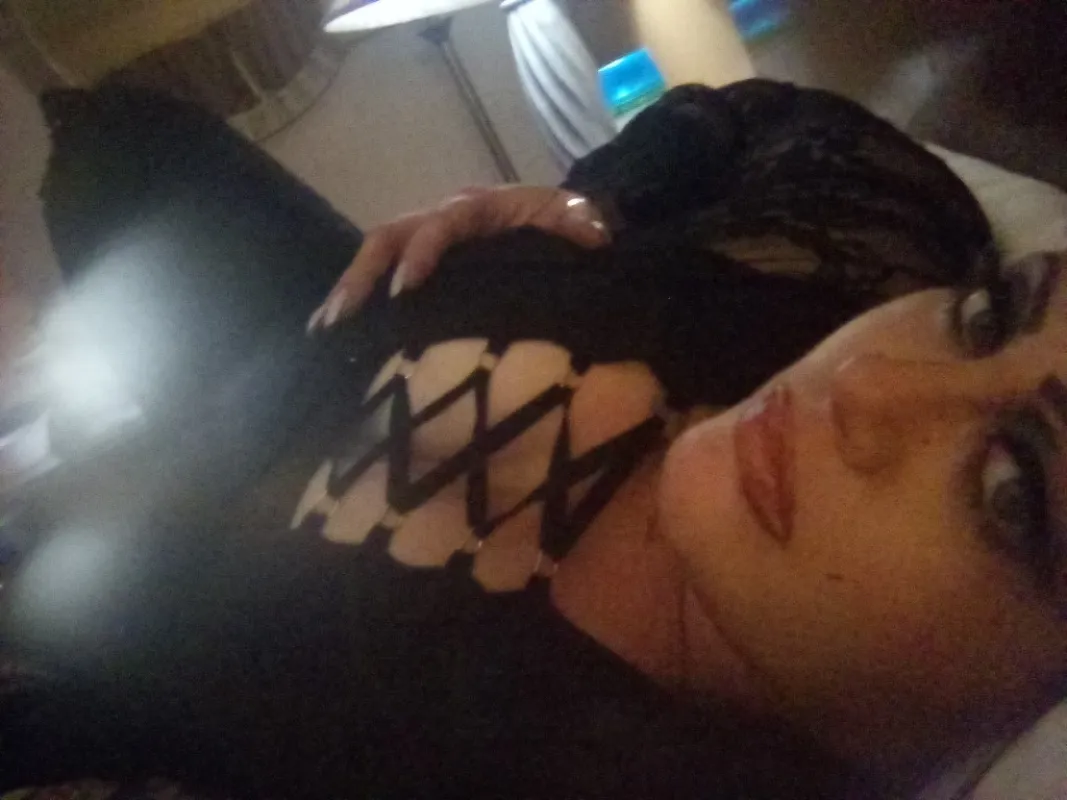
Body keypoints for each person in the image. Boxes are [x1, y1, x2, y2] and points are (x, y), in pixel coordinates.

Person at [2, 79, 1064, 800]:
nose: (868, 383)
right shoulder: (835, 281)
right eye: (988, 317)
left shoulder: (400, 751)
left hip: (178, 479)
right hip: (329, 302)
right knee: (116, 133)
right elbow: (761, 114)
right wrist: (590, 197)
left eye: (1010, 489)